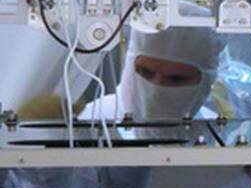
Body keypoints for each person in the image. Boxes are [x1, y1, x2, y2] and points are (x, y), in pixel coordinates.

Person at [80, 25, 225, 122]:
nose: (156, 90)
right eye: (146, 72)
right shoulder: (93, 120)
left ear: (207, 82)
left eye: (175, 79)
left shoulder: (215, 131)